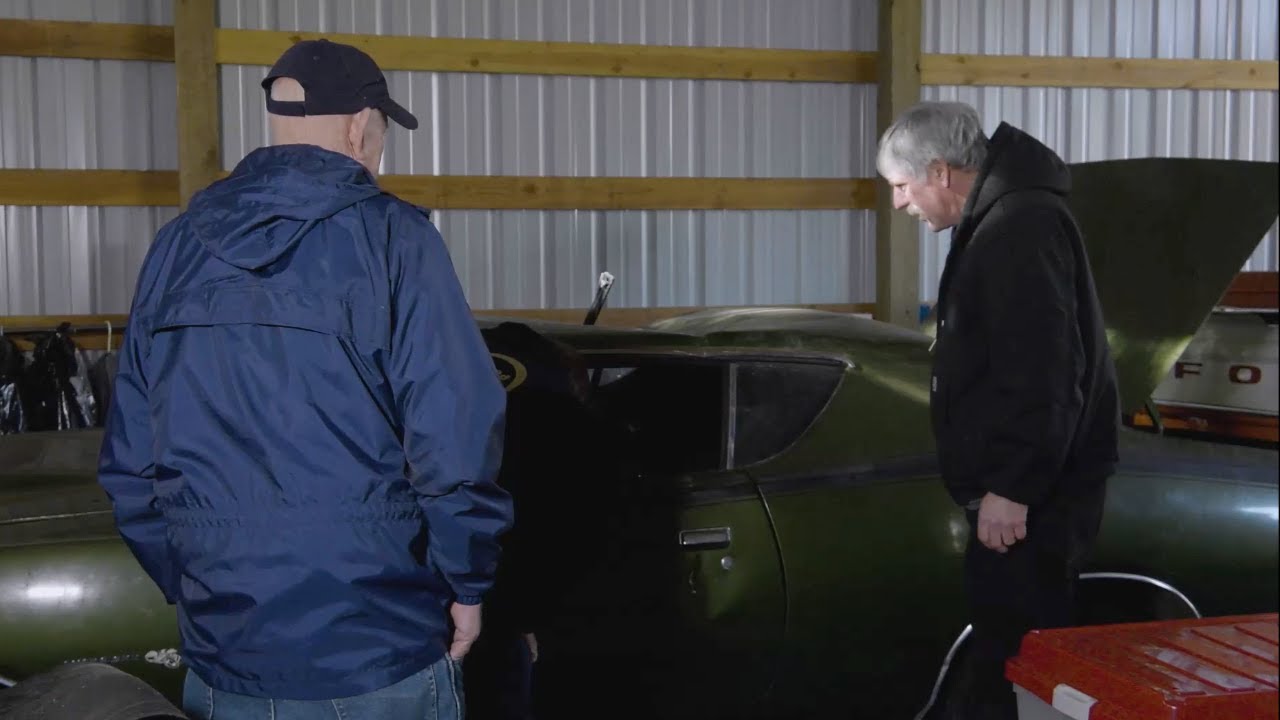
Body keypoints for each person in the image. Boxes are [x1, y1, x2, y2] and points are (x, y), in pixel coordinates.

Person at [97, 39, 513, 719]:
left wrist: (201, 588)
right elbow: (455, 440)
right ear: (359, 125)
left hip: (224, 656)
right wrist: (466, 585)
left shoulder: (177, 247)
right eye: (380, 135)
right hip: (378, 653)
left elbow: (131, 459)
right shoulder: (395, 241)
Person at [876, 101, 1119, 720]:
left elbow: (1042, 370)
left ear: (940, 172)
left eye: (903, 187)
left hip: (1031, 499)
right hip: (1025, 490)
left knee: (1021, 662)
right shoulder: (1003, 216)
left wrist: (1012, 486)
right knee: (1007, 657)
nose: (901, 204)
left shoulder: (1017, 224)